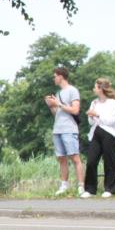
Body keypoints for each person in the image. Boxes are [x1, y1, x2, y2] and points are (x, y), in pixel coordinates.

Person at [44, 67, 84, 196]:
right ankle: (64, 185)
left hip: (69, 128)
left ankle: (81, 186)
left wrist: (58, 103)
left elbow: (75, 110)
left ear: (61, 76)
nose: (54, 78)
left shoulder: (73, 91)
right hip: (58, 128)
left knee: (75, 157)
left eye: (55, 76)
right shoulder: (58, 93)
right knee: (61, 158)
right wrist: (51, 106)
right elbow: (57, 113)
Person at [82, 79, 115, 198]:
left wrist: (97, 115)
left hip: (108, 133)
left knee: (109, 161)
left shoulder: (112, 103)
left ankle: (110, 188)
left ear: (101, 89)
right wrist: (92, 116)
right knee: (91, 161)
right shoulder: (94, 102)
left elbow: (110, 121)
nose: (94, 89)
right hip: (95, 133)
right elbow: (90, 122)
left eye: (95, 87)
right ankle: (90, 189)